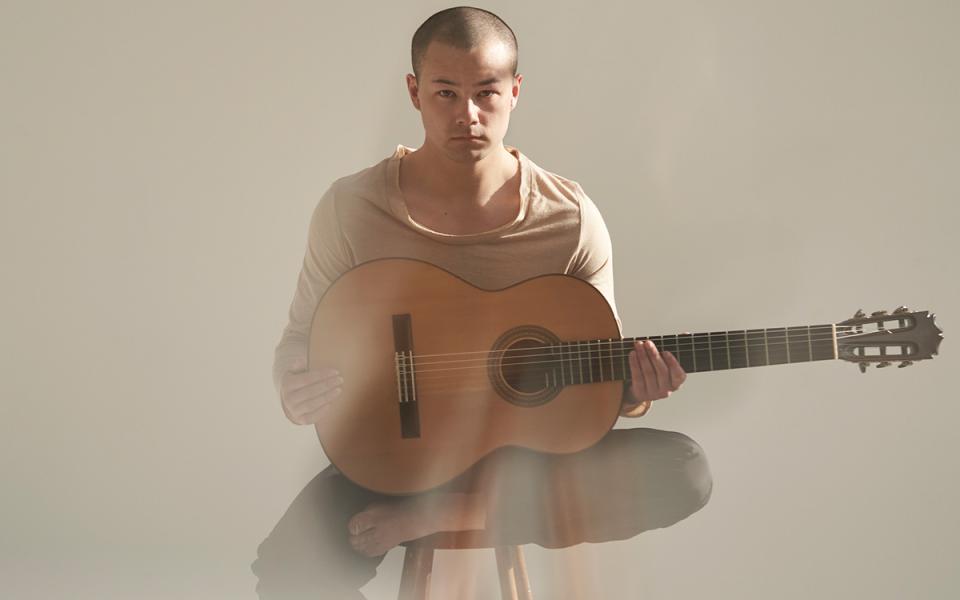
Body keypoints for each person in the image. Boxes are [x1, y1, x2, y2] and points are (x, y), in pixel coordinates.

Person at [252, 6, 712, 598]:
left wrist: (635, 392)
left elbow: (595, 372)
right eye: (445, 92)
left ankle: (439, 515)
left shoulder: (569, 218)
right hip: (397, 457)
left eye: (486, 93)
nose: (467, 114)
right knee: (286, 576)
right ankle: (436, 507)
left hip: (523, 464)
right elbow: (297, 339)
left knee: (683, 470)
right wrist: (292, 382)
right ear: (414, 92)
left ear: (514, 92)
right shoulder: (350, 207)